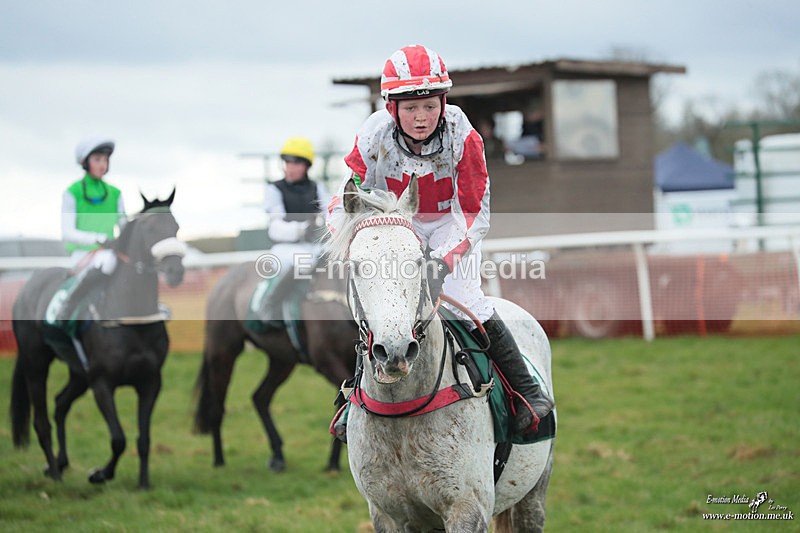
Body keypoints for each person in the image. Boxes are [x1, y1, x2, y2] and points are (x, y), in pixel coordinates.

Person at [328, 44, 554, 438]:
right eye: (411, 108)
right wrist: (352, 241)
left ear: (443, 102)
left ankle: (527, 393)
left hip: (452, 224)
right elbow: (345, 198)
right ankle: (355, 400)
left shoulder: (464, 136)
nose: (421, 117)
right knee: (381, 306)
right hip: (398, 226)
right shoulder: (372, 134)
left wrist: (443, 260)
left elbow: (472, 212)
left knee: (468, 302)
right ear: (391, 107)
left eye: (430, 106)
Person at [257, 137, 330, 328]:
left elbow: (329, 215)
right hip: (284, 249)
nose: (289, 167)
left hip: (313, 246)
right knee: (302, 262)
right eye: (287, 162)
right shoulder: (274, 189)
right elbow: (275, 227)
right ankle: (270, 304)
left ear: (306, 166)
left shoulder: (317, 187)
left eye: (295, 163)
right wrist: (301, 229)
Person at [57, 136, 127, 322]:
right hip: (83, 256)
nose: (102, 164)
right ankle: (68, 306)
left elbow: (123, 226)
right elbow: (67, 233)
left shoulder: (116, 193)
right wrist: (98, 238)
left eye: (105, 160)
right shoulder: (72, 192)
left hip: (110, 253)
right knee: (106, 261)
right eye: (97, 159)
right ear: (84, 162)